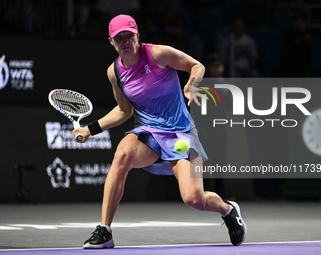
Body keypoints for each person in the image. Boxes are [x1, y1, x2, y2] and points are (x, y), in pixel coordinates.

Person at [73, 14, 247, 249]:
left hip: (181, 135)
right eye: (119, 38)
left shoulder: (158, 54)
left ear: (138, 36)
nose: (125, 41)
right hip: (149, 135)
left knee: (194, 199)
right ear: (111, 41)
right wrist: (90, 129)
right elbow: (124, 111)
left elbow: (197, 65)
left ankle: (227, 210)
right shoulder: (114, 73)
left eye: (129, 36)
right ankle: (105, 230)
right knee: (122, 153)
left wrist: (190, 84)